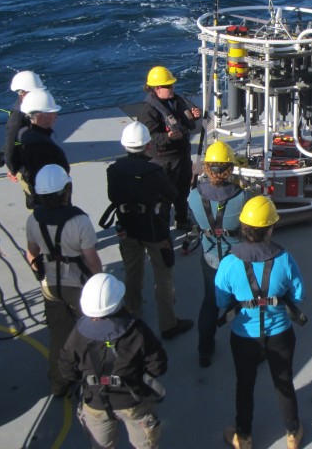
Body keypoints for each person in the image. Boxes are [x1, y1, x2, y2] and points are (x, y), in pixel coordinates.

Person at [215, 196, 305, 449]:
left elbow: (221, 301)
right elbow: (298, 295)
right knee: (283, 382)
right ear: (270, 228)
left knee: (244, 385)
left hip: (244, 336)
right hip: (280, 334)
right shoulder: (285, 259)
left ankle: (243, 437)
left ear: (243, 227)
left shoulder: (229, 263)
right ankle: (292, 432)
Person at [105, 122, 193, 342]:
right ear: (147, 146)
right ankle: (168, 324)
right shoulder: (154, 171)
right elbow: (172, 194)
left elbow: (113, 196)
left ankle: (132, 312)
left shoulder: (113, 170)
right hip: (154, 229)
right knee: (163, 275)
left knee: (132, 271)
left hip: (127, 227)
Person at [60, 273, 167, 449]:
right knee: (146, 444)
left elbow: (67, 368)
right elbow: (158, 365)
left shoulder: (78, 333)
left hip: (95, 401)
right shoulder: (137, 331)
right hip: (133, 400)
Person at [25, 164, 102, 396]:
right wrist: (99, 285)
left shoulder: (33, 220)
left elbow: (32, 253)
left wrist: (41, 276)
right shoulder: (79, 221)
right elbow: (92, 260)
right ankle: (94, 383)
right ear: (66, 189)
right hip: (78, 284)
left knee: (59, 335)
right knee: (91, 334)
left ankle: (59, 383)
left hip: (51, 285)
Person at [186, 141, 245, 368]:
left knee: (210, 303)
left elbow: (193, 221)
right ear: (230, 169)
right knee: (243, 303)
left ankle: (205, 350)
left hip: (211, 258)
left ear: (207, 169)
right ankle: (247, 349)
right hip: (237, 260)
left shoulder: (193, 196)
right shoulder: (243, 196)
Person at [140, 65, 201, 231]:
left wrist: (194, 116)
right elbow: (149, 138)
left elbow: (189, 123)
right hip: (164, 161)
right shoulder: (149, 111)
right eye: (168, 86)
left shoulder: (178, 101)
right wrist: (167, 137)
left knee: (182, 193)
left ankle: (182, 220)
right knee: (164, 197)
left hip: (182, 157)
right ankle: (161, 229)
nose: (172, 88)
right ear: (157, 88)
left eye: (172, 85)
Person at [15, 88, 69, 209]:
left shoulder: (24, 134)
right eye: (52, 113)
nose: (56, 116)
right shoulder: (42, 147)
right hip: (54, 201)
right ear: (39, 117)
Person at [0, 70, 45, 176]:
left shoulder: (32, 108)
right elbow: (10, 145)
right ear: (22, 93)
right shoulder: (17, 117)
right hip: (26, 165)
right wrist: (13, 170)